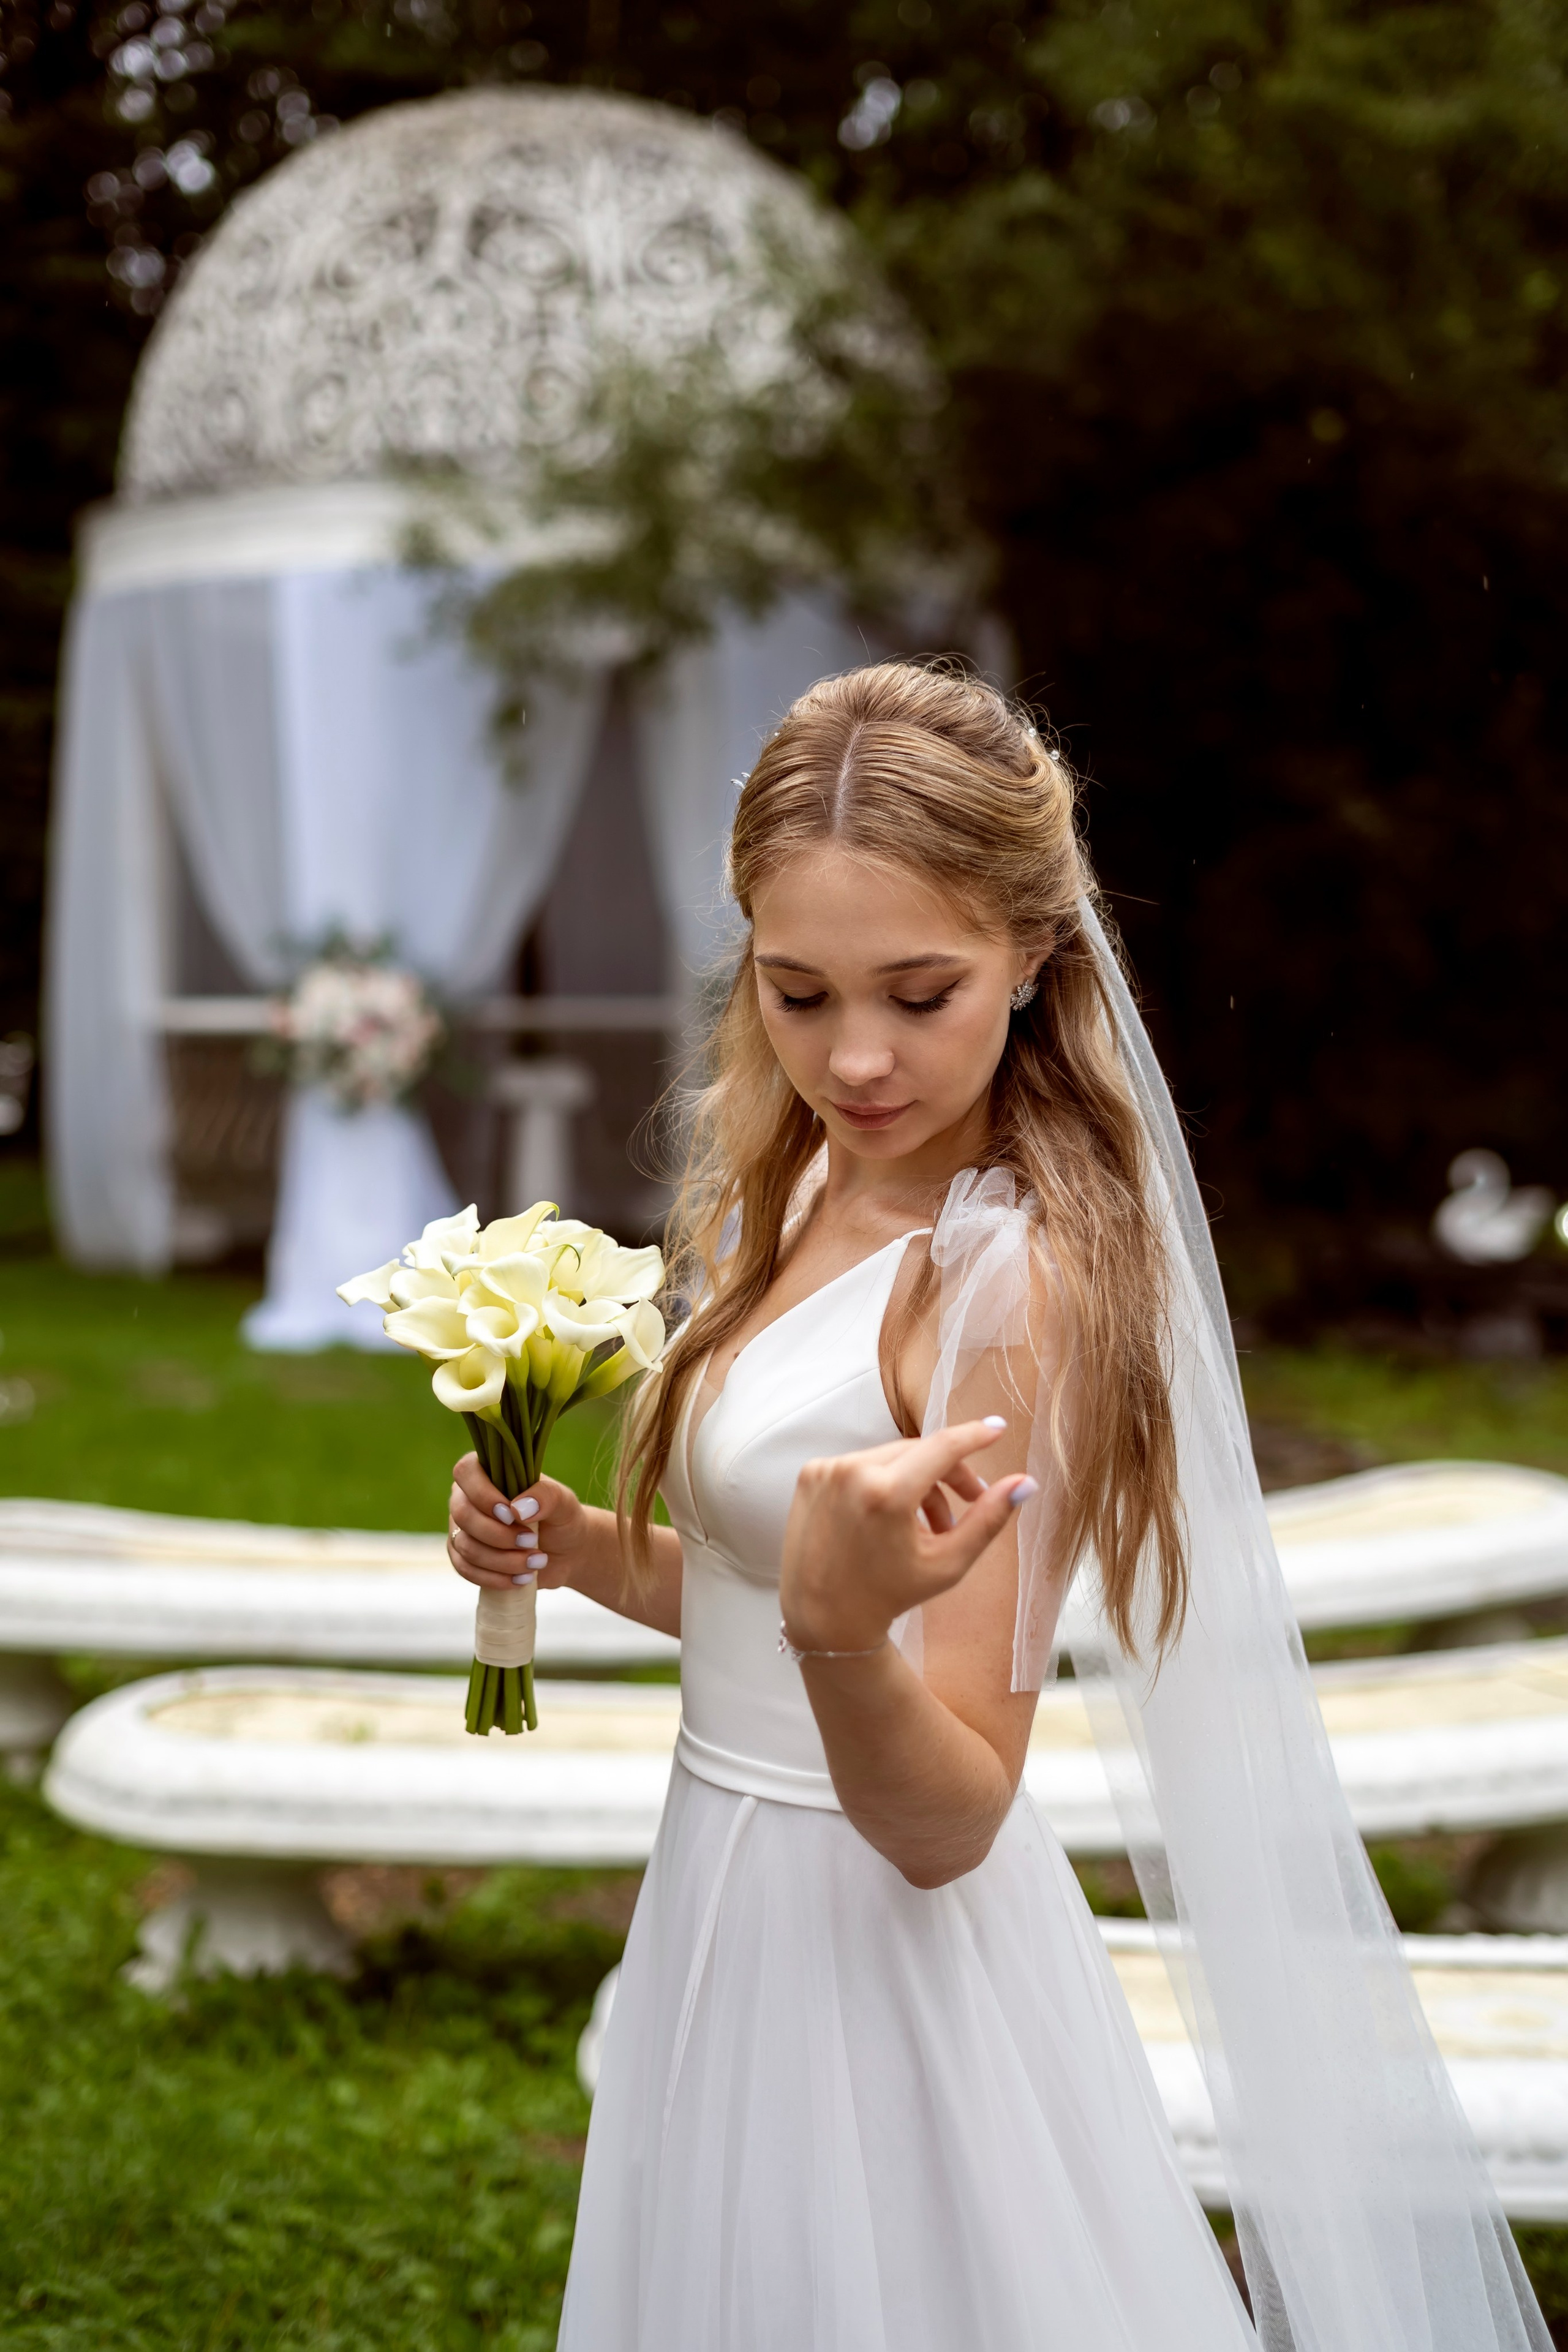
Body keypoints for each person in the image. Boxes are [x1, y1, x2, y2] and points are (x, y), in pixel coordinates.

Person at [446, 663, 1548, 2351]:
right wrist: (596, 1557)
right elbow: (767, 1595)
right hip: (727, 1892)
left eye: (921, 992)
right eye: (799, 993)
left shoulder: (1007, 1281)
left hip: (883, 1951)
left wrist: (833, 1631)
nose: (858, 1056)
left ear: (1035, 957)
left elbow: (949, 1805)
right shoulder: (803, 1173)